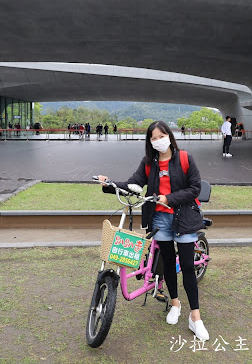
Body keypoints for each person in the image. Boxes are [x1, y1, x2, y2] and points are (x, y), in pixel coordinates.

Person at [96, 120, 209, 341]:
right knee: (167, 263)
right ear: (150, 141)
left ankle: (195, 317)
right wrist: (109, 184)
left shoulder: (185, 158)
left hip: (183, 218)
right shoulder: (149, 163)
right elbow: (133, 184)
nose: (158, 141)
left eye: (161, 136)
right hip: (160, 220)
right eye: (153, 138)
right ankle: (175, 304)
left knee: (186, 265)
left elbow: (194, 188)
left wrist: (170, 198)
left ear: (169, 136)